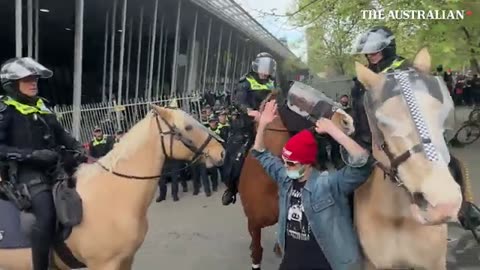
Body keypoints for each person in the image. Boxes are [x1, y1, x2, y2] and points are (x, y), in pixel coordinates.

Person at [251, 100, 372, 270]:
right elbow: (260, 153)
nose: (286, 166)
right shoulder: (286, 179)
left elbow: (363, 163)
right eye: (284, 161)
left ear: (307, 163)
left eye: (291, 163)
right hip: (290, 263)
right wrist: (263, 124)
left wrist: (334, 131)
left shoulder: (328, 185)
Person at [0, 57, 86, 270]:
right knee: (46, 214)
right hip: (26, 172)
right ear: (12, 85)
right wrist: (31, 155)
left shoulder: (42, 106)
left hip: (55, 167)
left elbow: (61, 134)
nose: (33, 83)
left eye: (35, 79)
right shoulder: (5, 111)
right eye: (27, 80)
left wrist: (78, 148)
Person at [222, 52, 277, 205]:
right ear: (257, 65)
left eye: (269, 68)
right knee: (236, 155)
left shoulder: (272, 83)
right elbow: (238, 101)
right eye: (264, 67)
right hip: (247, 123)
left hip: (270, 121)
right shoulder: (246, 81)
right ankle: (231, 188)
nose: (266, 71)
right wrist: (250, 112)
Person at [350, 26, 410, 149]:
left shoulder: (404, 69)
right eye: (367, 53)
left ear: (387, 49)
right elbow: (357, 109)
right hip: (368, 140)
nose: (369, 56)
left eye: (374, 52)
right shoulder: (365, 74)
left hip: (399, 142)